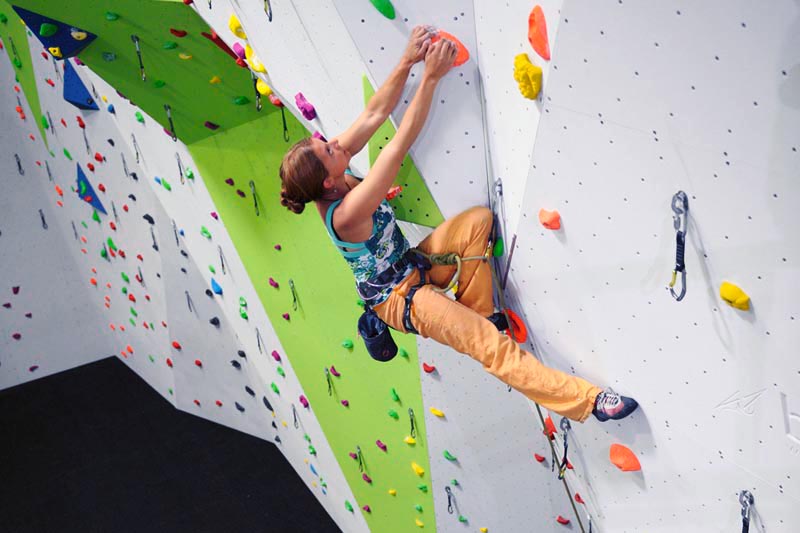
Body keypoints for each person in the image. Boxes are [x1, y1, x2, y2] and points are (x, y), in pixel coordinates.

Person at [278, 26, 638, 423]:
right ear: (328, 182)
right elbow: (397, 146)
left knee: (477, 224)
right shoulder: (345, 214)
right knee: (489, 347)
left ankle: (482, 314)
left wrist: (408, 59)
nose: (335, 144)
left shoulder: (334, 174)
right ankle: (589, 401)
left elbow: (374, 113)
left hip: (413, 263)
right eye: (327, 150)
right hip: (401, 300)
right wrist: (431, 77)